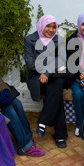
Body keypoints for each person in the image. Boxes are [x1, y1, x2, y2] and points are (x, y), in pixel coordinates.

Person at [24, 14, 68, 148]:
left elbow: (61, 60)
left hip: (53, 75)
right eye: (48, 26)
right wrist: (46, 69)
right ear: (42, 25)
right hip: (36, 77)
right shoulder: (30, 39)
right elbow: (30, 63)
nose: (51, 30)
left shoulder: (58, 40)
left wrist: (47, 72)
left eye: (54, 27)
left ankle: (43, 122)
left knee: (57, 85)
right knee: (56, 94)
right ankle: (60, 135)